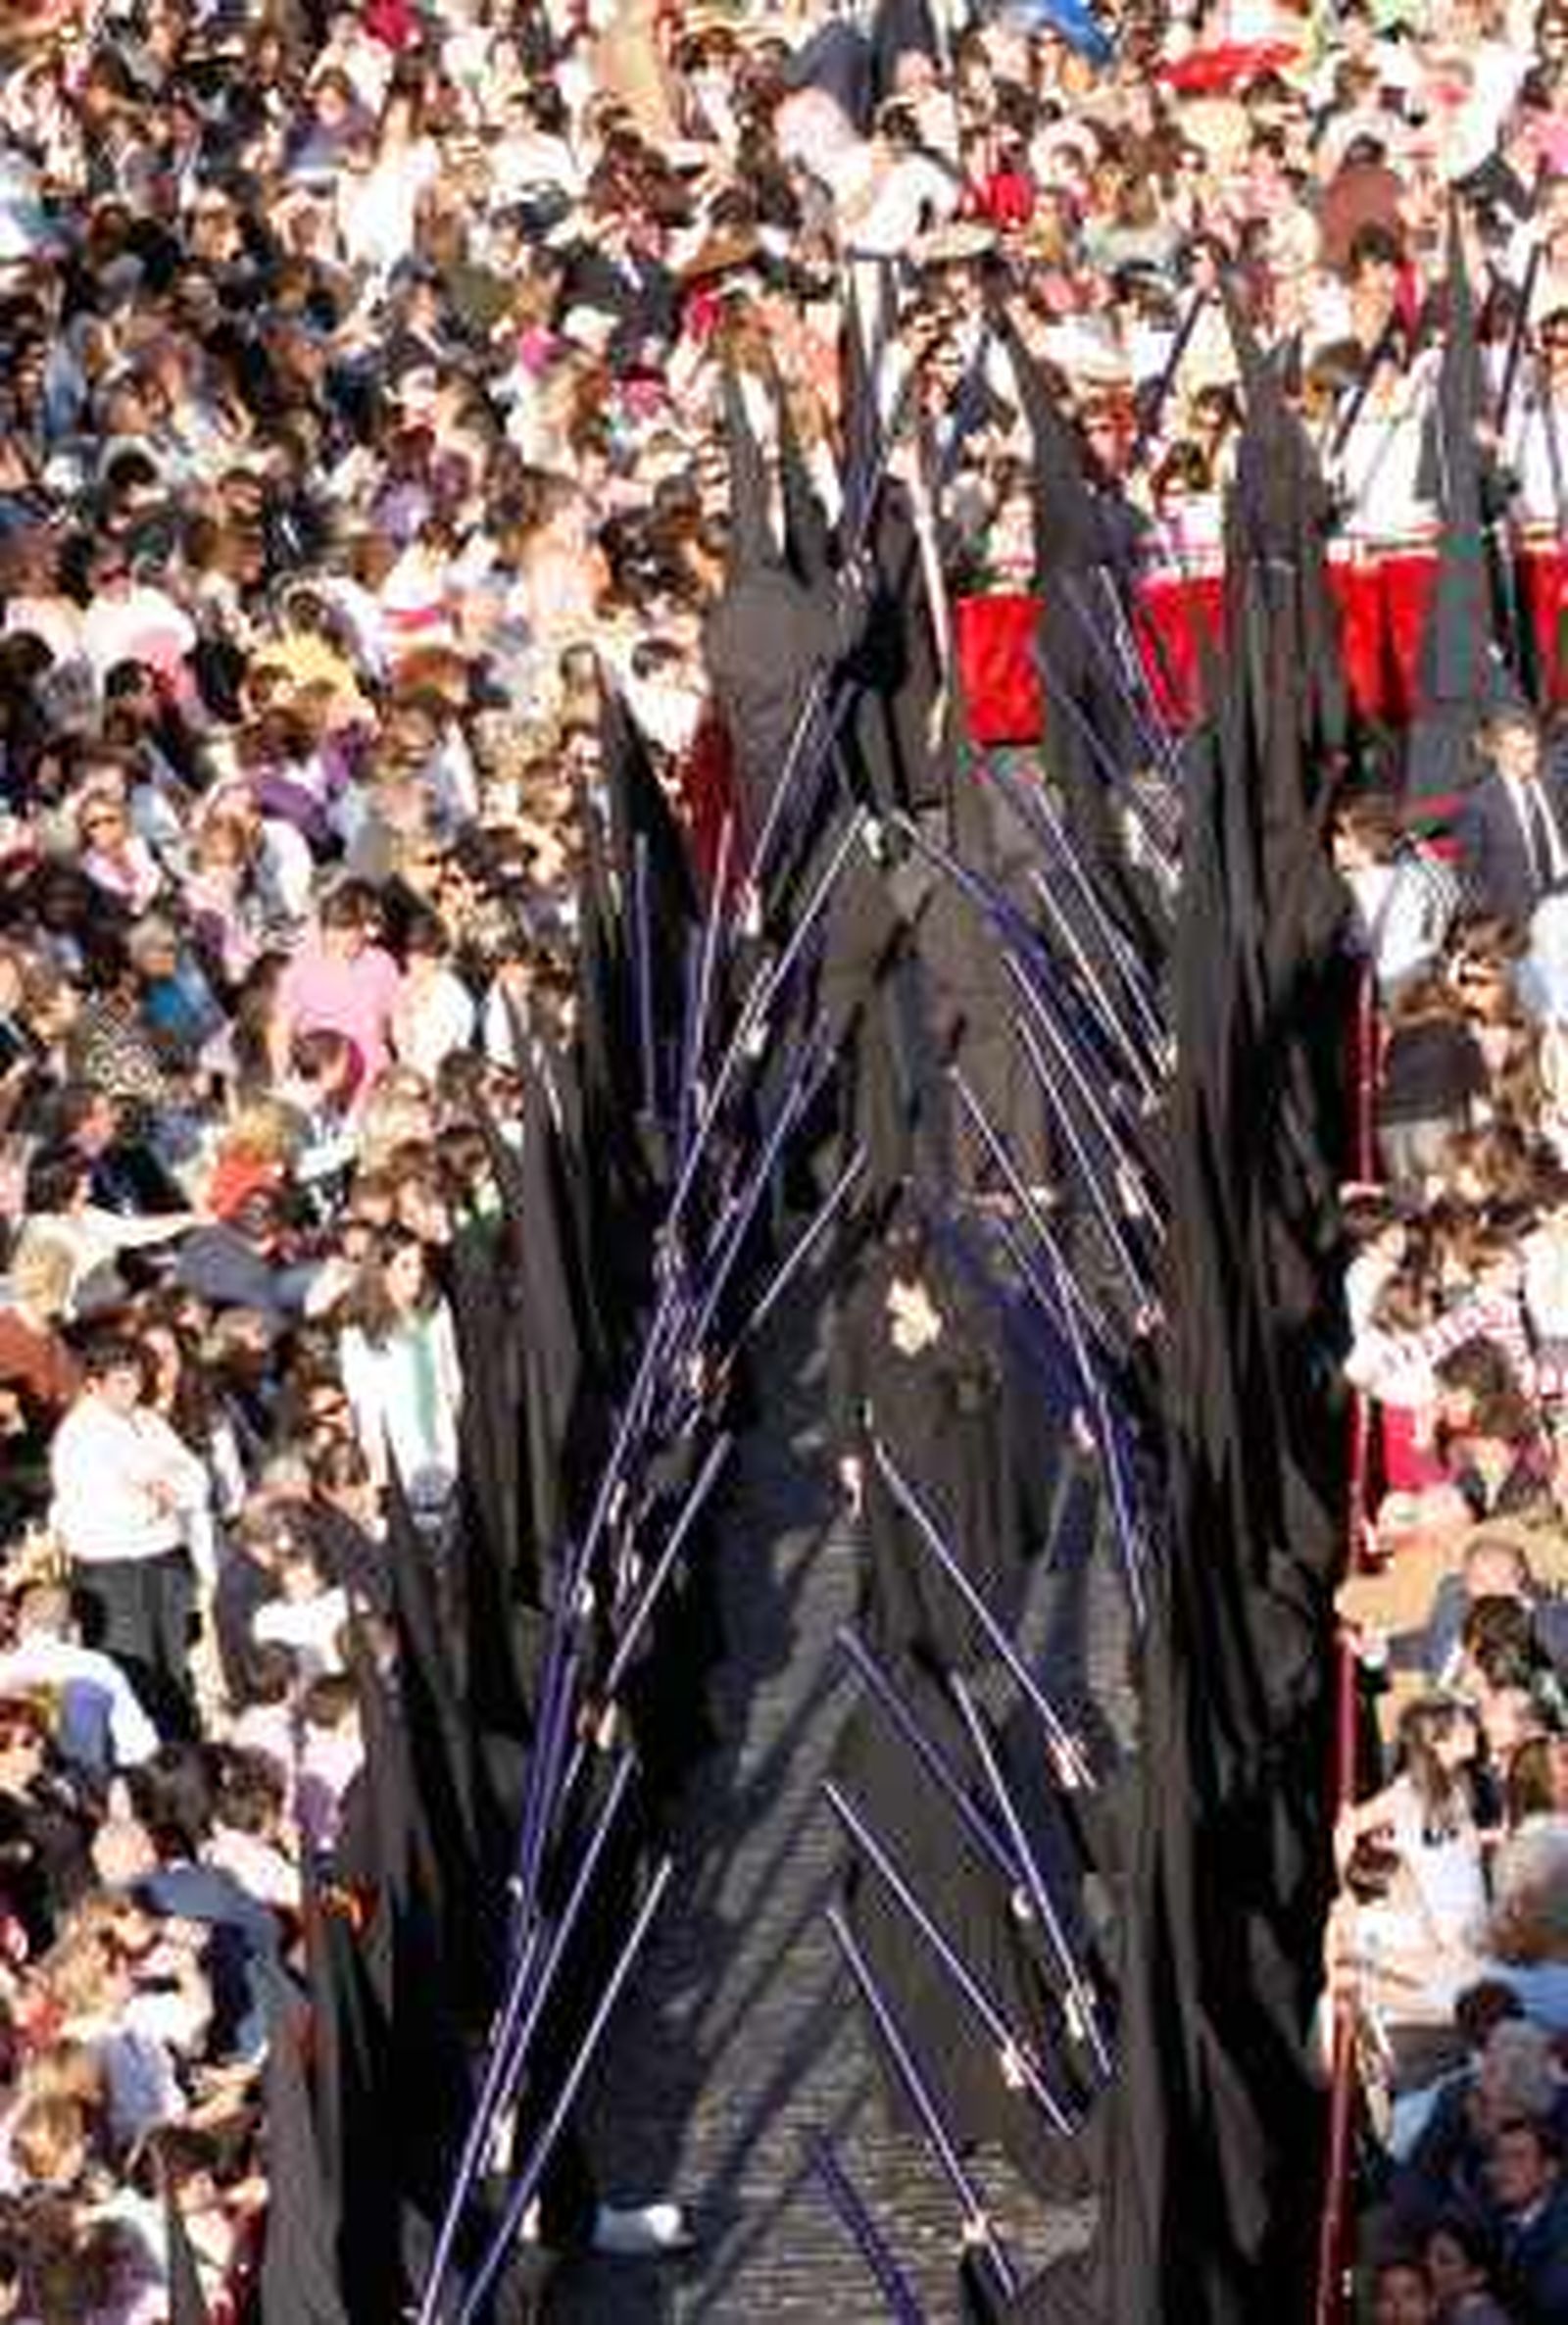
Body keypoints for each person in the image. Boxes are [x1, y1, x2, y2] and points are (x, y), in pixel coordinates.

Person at [47, 1333, 210, 1739]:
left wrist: (160, 1492)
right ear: (93, 1385)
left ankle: (183, 1747)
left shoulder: (147, 1420)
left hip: (164, 1559)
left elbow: (195, 1478)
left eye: (136, 1379)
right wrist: (158, 1496)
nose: (133, 1389)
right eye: (121, 1382)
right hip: (113, 1574)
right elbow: (113, 1510)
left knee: (174, 1666)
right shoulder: (79, 1437)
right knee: (138, 1675)